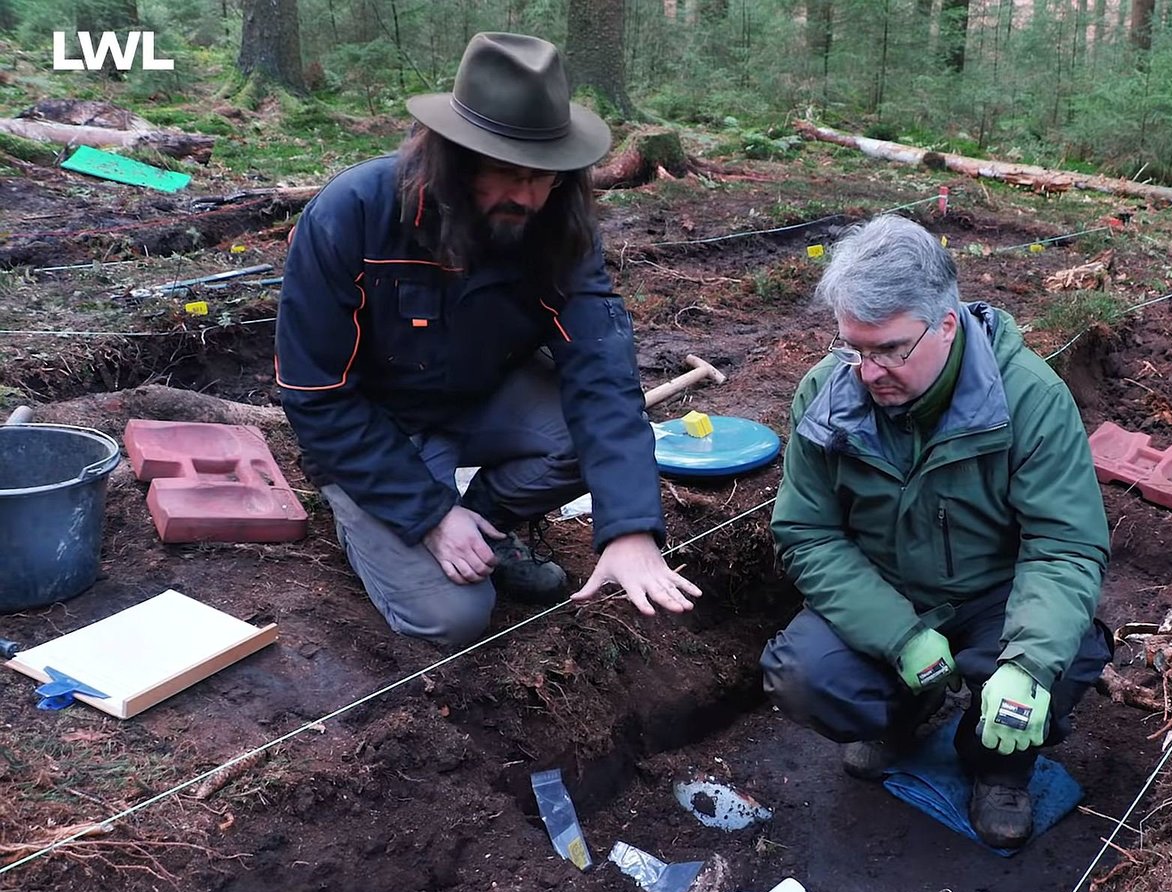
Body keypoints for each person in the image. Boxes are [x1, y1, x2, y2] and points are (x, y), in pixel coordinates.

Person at [274, 32, 700, 646]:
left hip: (481, 403)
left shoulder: (559, 226)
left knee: (585, 442)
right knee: (453, 616)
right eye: (505, 173)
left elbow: (602, 373)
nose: (525, 197)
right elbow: (315, 394)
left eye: (543, 177)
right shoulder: (352, 213)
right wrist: (427, 515)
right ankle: (370, 519)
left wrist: (630, 528)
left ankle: (484, 530)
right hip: (378, 429)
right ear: (453, 157)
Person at [760, 215, 1111, 848]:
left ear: (946, 325)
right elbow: (808, 534)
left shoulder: (1029, 398)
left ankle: (996, 764)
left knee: (1062, 660)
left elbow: (1063, 546)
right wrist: (898, 635)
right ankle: (905, 711)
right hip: (888, 592)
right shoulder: (826, 397)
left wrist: (1028, 664)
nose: (869, 372)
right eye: (854, 349)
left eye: (890, 350)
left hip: (994, 599)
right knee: (806, 674)